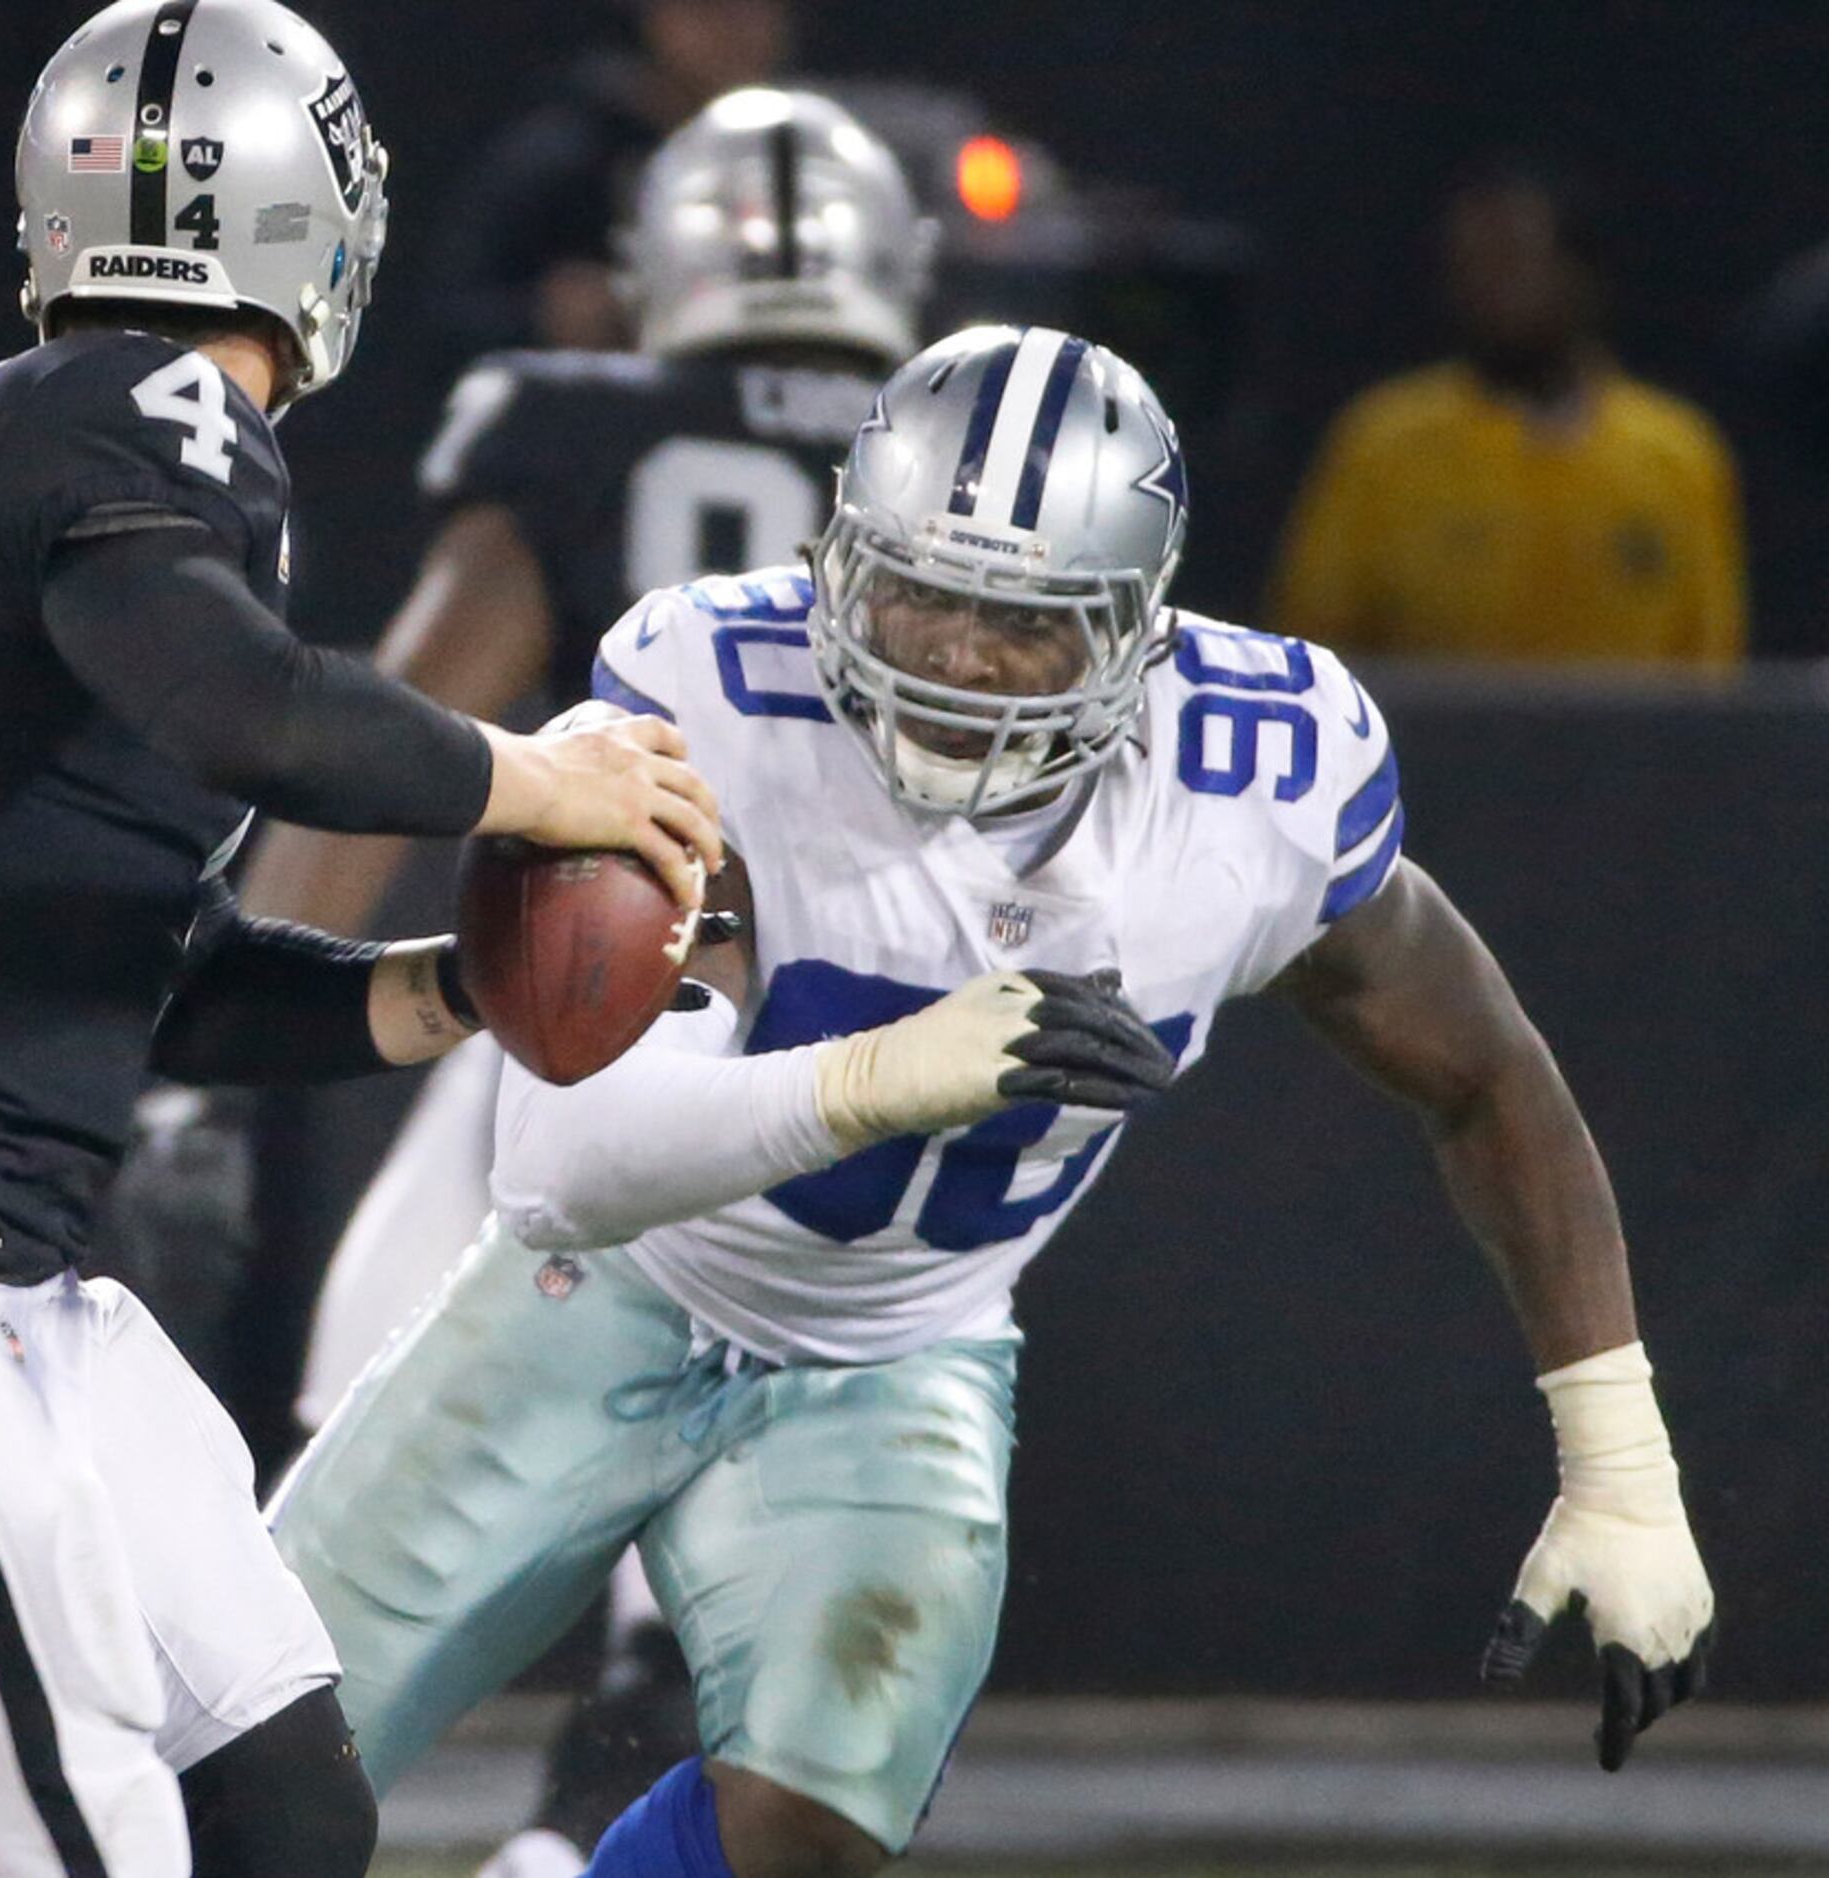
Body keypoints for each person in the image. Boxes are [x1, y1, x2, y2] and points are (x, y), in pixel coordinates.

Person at [267, 324, 1717, 1878]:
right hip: (604, 1292)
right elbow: (568, 1164)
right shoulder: (714, 694)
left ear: (1135, 631)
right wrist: (890, 1074)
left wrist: (1617, 1457)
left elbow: (1488, 1077)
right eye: (918, 588)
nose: (952, 649)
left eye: (1018, 619)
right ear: (839, 555)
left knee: (810, 1830)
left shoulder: (1254, 787)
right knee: (245, 1755)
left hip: (898, 1350)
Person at [0, 5, 720, 1878]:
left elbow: (157, 976)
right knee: (91, 1855)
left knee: (277, 1803)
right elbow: (254, 717)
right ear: (311, 218)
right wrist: (540, 775)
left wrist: (446, 986)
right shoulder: (145, 410)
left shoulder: (45, 450)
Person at [217, 88, 929, 1871]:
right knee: (739, 1535)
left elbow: (406, 721)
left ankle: (214, 1814)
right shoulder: (956, 461)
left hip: (593, 1018)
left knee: (375, 1455)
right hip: (866, 1042)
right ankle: (565, 1839)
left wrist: (202, 1033)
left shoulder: (573, 428)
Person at [1269, 157, 1746, 668]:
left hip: (1629, 748)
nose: (1488, 290)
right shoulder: (1383, 442)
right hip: (1433, 745)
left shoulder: (1675, 453)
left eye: (1512, 262)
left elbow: (1711, 659)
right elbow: (1310, 644)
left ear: (1577, 273)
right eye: (1470, 266)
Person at [421, 0, 794, 366]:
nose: (736, 29)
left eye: (757, 8)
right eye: (710, 9)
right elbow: (446, 317)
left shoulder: (802, 158)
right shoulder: (568, 156)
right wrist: (544, 319)